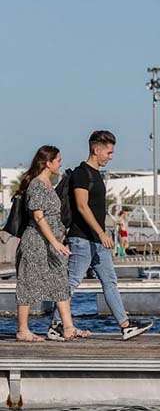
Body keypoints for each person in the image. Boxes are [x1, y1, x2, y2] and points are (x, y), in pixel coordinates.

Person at [51, 131, 152, 340]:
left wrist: (106, 229)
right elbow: (81, 206)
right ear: (96, 150)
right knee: (72, 281)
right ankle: (56, 325)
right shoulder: (82, 173)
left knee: (109, 281)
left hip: (97, 240)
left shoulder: (97, 174)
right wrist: (101, 232)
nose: (111, 156)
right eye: (109, 152)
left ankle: (125, 325)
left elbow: (96, 208)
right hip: (82, 238)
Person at [15, 146, 86, 342]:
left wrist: (57, 240)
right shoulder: (37, 185)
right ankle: (23, 330)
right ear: (48, 163)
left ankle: (69, 327)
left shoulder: (48, 183)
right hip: (36, 242)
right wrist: (54, 242)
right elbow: (38, 217)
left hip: (53, 242)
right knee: (28, 284)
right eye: (58, 160)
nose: (61, 163)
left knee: (60, 281)